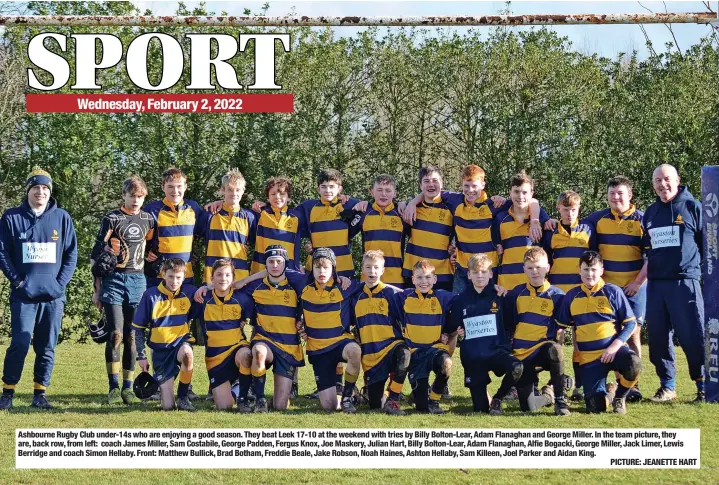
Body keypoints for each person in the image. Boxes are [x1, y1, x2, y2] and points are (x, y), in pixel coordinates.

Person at [0, 167, 78, 410]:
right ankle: (8, 393)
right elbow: (2, 252)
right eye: (36, 188)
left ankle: (39, 394)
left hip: (53, 296)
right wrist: (18, 281)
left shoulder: (62, 217)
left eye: (45, 188)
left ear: (50, 192)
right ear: (28, 191)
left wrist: (59, 284)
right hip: (24, 295)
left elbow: (71, 254)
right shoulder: (11, 217)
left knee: (47, 346)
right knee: (20, 343)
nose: (40, 192)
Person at [643, 164, 705, 402]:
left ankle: (702, 386)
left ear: (677, 180)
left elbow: (707, 246)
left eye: (667, 179)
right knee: (658, 338)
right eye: (657, 180)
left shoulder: (694, 207)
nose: (662, 184)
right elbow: (648, 250)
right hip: (657, 285)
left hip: (685, 283)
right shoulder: (650, 213)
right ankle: (667, 386)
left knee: (692, 334)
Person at [90, 175, 155, 405]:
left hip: (138, 281)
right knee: (115, 333)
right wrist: (97, 289)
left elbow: (152, 252)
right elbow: (96, 254)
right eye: (132, 196)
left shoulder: (149, 219)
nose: (136, 200)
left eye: (140, 196)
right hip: (114, 281)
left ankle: (128, 388)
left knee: (131, 335)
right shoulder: (112, 218)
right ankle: (113, 388)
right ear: (124, 196)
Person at [581, 176, 647, 402]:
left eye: (620, 193)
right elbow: (573, 224)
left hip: (634, 288)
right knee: (604, 333)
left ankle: (632, 384)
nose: (615, 197)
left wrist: (638, 282)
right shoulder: (597, 218)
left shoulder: (643, 220)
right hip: (607, 291)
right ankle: (601, 382)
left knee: (633, 333)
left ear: (630, 195)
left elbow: (652, 256)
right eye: (611, 194)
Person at [557, 251, 641, 414]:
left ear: (602, 270)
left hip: (614, 352)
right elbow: (560, 326)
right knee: (595, 408)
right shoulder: (571, 296)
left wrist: (614, 347)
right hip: (589, 360)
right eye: (586, 269)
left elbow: (630, 324)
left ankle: (619, 397)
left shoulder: (613, 291)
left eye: (594, 269)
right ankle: (609, 394)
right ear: (579, 270)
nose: (590, 274)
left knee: (634, 364)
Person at [491, 248, 570, 416]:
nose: (535, 271)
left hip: (542, 350)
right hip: (520, 354)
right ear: (524, 269)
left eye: (539, 267)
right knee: (529, 407)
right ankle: (548, 396)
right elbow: (506, 324)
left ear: (547, 268)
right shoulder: (515, 293)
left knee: (555, 349)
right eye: (530, 268)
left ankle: (561, 401)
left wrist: (558, 351)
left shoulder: (558, 296)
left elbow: (561, 330)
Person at [445, 254, 523, 414]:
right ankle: (484, 398)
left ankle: (498, 399)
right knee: (480, 409)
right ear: (468, 275)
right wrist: (456, 331)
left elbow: (511, 324)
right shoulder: (461, 300)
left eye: (483, 271)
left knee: (517, 367)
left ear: (491, 273)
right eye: (475, 272)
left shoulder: (500, 295)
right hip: (474, 358)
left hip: (497, 352)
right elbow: (451, 327)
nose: (479, 275)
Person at [297, 248, 363, 412]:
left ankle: (347, 397)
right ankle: (352, 395)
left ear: (333, 268)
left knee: (355, 351)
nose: (321, 271)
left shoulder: (345, 286)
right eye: (318, 267)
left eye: (326, 267)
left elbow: (375, 284)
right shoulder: (303, 285)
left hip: (340, 342)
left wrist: (406, 292)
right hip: (318, 351)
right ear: (311, 269)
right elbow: (272, 271)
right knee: (329, 407)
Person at [132, 258, 199, 411]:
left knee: (187, 353)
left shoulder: (189, 292)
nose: (174, 281)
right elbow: (139, 329)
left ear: (184, 276)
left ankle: (183, 397)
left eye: (178, 278)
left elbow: (212, 296)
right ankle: (169, 397)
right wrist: (141, 356)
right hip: (160, 353)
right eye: (170, 276)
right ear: (163, 274)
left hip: (180, 344)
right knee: (168, 406)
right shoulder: (150, 296)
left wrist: (204, 288)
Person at [392, 260, 456, 414]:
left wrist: (449, 332)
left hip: (435, 349)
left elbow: (466, 299)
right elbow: (385, 288)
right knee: (422, 409)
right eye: (419, 278)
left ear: (434, 279)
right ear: (413, 279)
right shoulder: (404, 297)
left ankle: (434, 400)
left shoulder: (443, 297)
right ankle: (418, 396)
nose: (424, 282)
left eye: (428, 277)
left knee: (446, 363)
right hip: (415, 354)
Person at [351, 250, 409, 415]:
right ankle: (373, 395)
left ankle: (394, 399)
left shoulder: (394, 294)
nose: (372, 271)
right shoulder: (355, 295)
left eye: (376, 267)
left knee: (404, 354)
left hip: (391, 347)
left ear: (383, 270)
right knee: (376, 406)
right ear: (362, 269)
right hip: (370, 357)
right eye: (368, 267)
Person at [198, 259, 253, 411]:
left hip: (236, 349)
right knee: (224, 406)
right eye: (219, 274)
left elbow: (258, 319)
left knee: (246, 354)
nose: (223, 278)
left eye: (228, 275)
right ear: (212, 278)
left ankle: (243, 399)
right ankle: (238, 387)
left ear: (233, 279)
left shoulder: (242, 298)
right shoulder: (202, 299)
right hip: (215, 357)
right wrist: (203, 287)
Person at [143, 167, 209, 287]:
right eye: (170, 186)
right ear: (163, 187)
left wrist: (219, 203)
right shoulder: (151, 209)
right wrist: (145, 253)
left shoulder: (193, 208)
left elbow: (208, 232)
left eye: (179, 186)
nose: (175, 190)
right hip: (159, 276)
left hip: (186, 276)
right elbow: (136, 238)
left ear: (185, 187)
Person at [347, 175, 408, 288]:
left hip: (396, 277)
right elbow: (344, 234)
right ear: (372, 192)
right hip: (369, 277)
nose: (383, 194)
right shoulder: (364, 212)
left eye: (388, 190)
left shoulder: (402, 213)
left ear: (395, 194)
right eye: (379, 190)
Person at [401, 166, 454, 291]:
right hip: (414, 274)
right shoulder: (410, 209)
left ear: (442, 184)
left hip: (442, 275)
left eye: (435, 181)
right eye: (426, 181)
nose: (431, 184)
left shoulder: (452, 208)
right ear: (420, 185)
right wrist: (409, 203)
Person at [494, 171, 550, 291]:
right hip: (506, 284)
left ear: (532, 194)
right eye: (516, 191)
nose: (520, 196)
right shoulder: (500, 218)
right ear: (510, 193)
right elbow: (496, 248)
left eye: (525, 192)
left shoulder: (540, 217)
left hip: (532, 285)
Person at [200, 169, 257, 284]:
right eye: (230, 189)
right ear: (223, 190)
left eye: (237, 190)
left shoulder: (250, 217)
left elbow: (255, 243)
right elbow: (192, 237)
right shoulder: (210, 214)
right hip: (213, 275)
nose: (234, 193)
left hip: (240, 277)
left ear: (243, 191)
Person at [250, 177, 302, 275]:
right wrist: (218, 203)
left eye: (282, 193)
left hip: (289, 272)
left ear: (289, 197)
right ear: (267, 197)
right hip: (261, 271)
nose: (277, 197)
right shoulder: (260, 214)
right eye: (273, 194)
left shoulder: (296, 217)